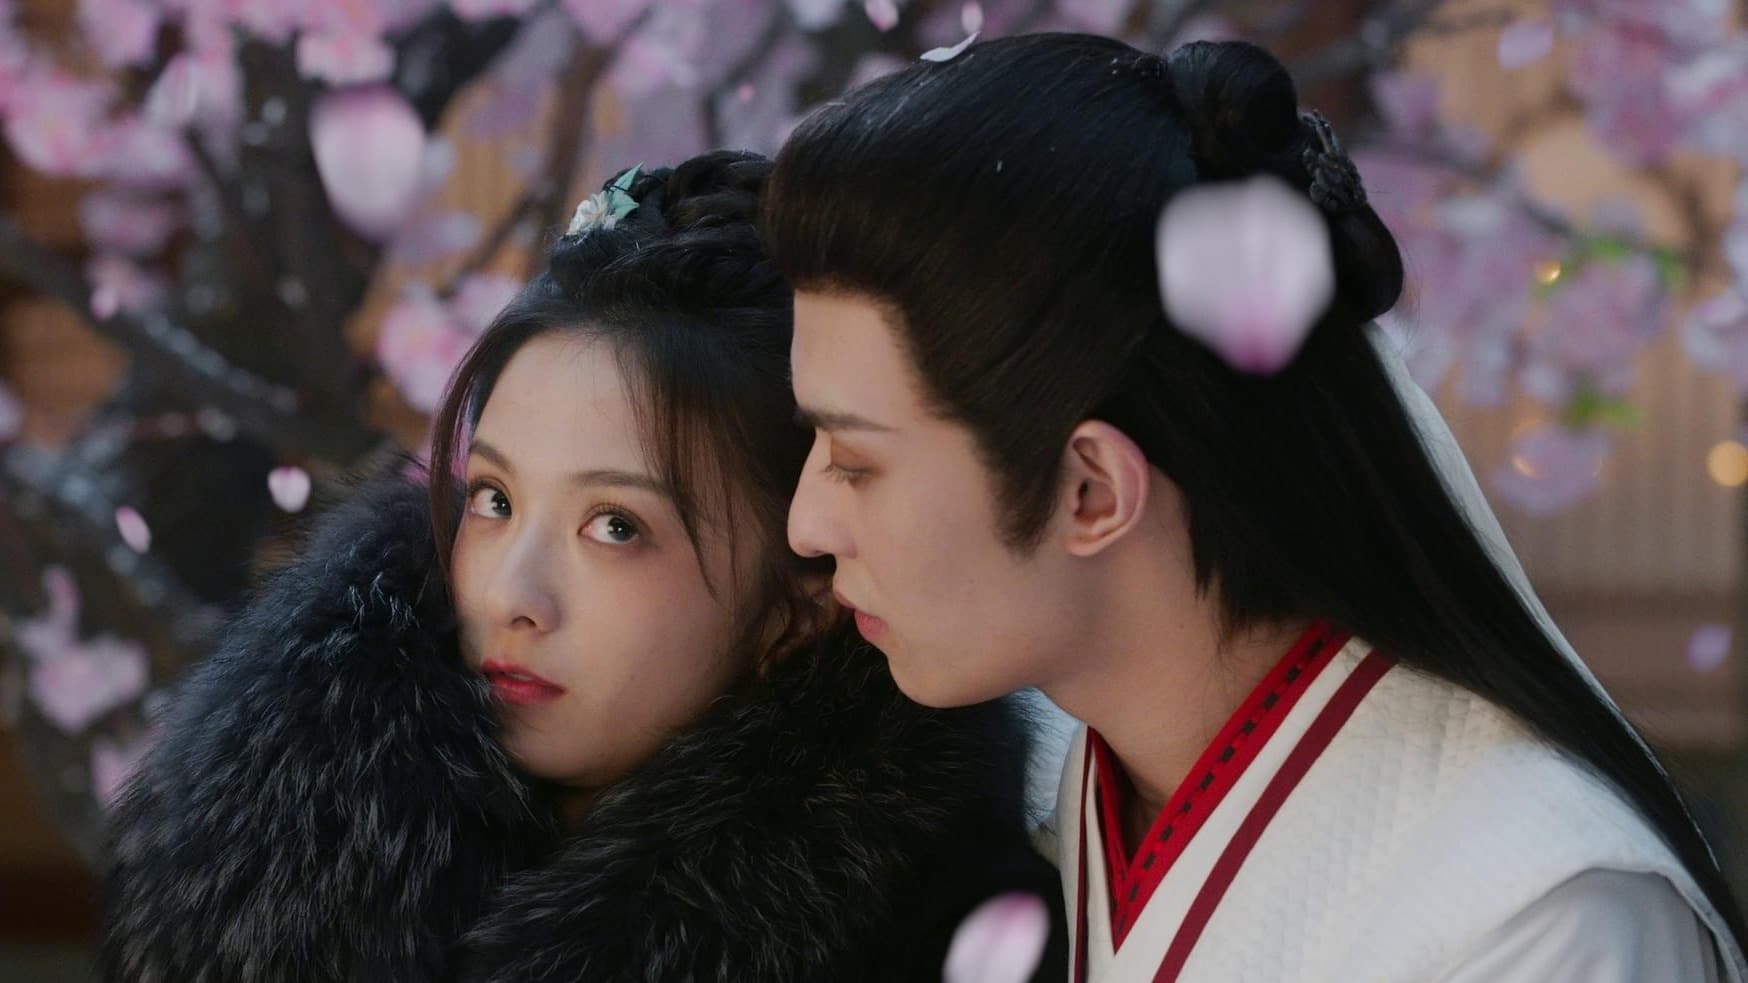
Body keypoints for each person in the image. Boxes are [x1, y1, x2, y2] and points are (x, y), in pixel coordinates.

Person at [761, 34, 1748, 981]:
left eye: (855, 461)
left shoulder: (1535, 918)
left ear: (1090, 490)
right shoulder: (1089, 781)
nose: (804, 522)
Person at [100, 151, 1065, 983]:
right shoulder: (275, 848)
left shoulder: (948, 931)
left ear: (798, 601)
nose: (509, 596)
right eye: (494, 500)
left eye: (614, 526)